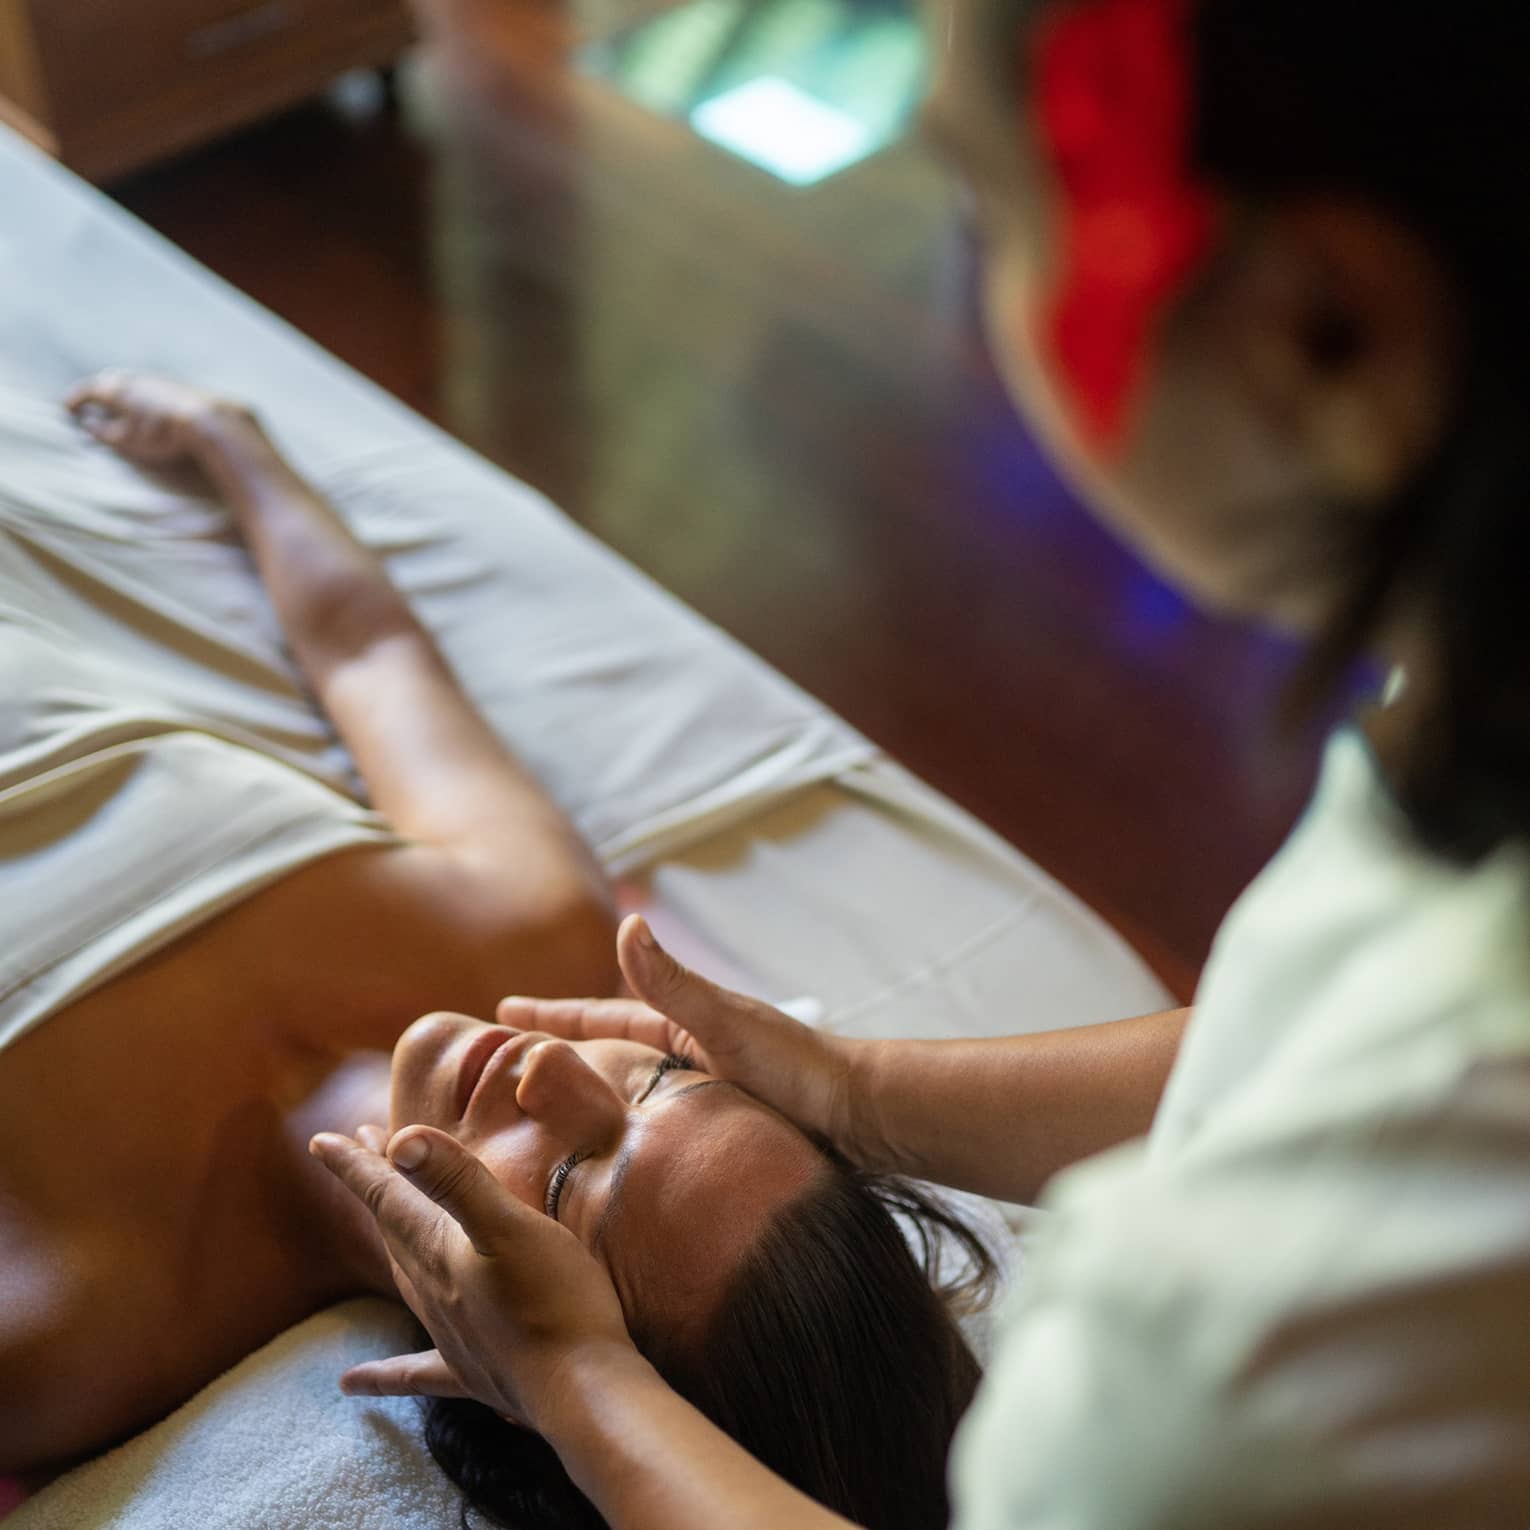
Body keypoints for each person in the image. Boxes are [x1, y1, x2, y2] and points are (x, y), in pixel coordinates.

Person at [313, 0, 1530, 1524]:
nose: (559, 1068)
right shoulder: (1472, 723)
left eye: (986, 207)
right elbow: (1298, 1041)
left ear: (1321, 330)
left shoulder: (1239, 1367)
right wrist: (850, 1088)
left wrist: (579, 1384)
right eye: (669, 1085)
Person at [0, 374, 992, 1530]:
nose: (554, 1071)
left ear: (507, 1367)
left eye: (572, 1186)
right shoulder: (528, 926)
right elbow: (370, 654)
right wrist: (235, 448)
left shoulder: (61, 1326)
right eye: (666, 1085)